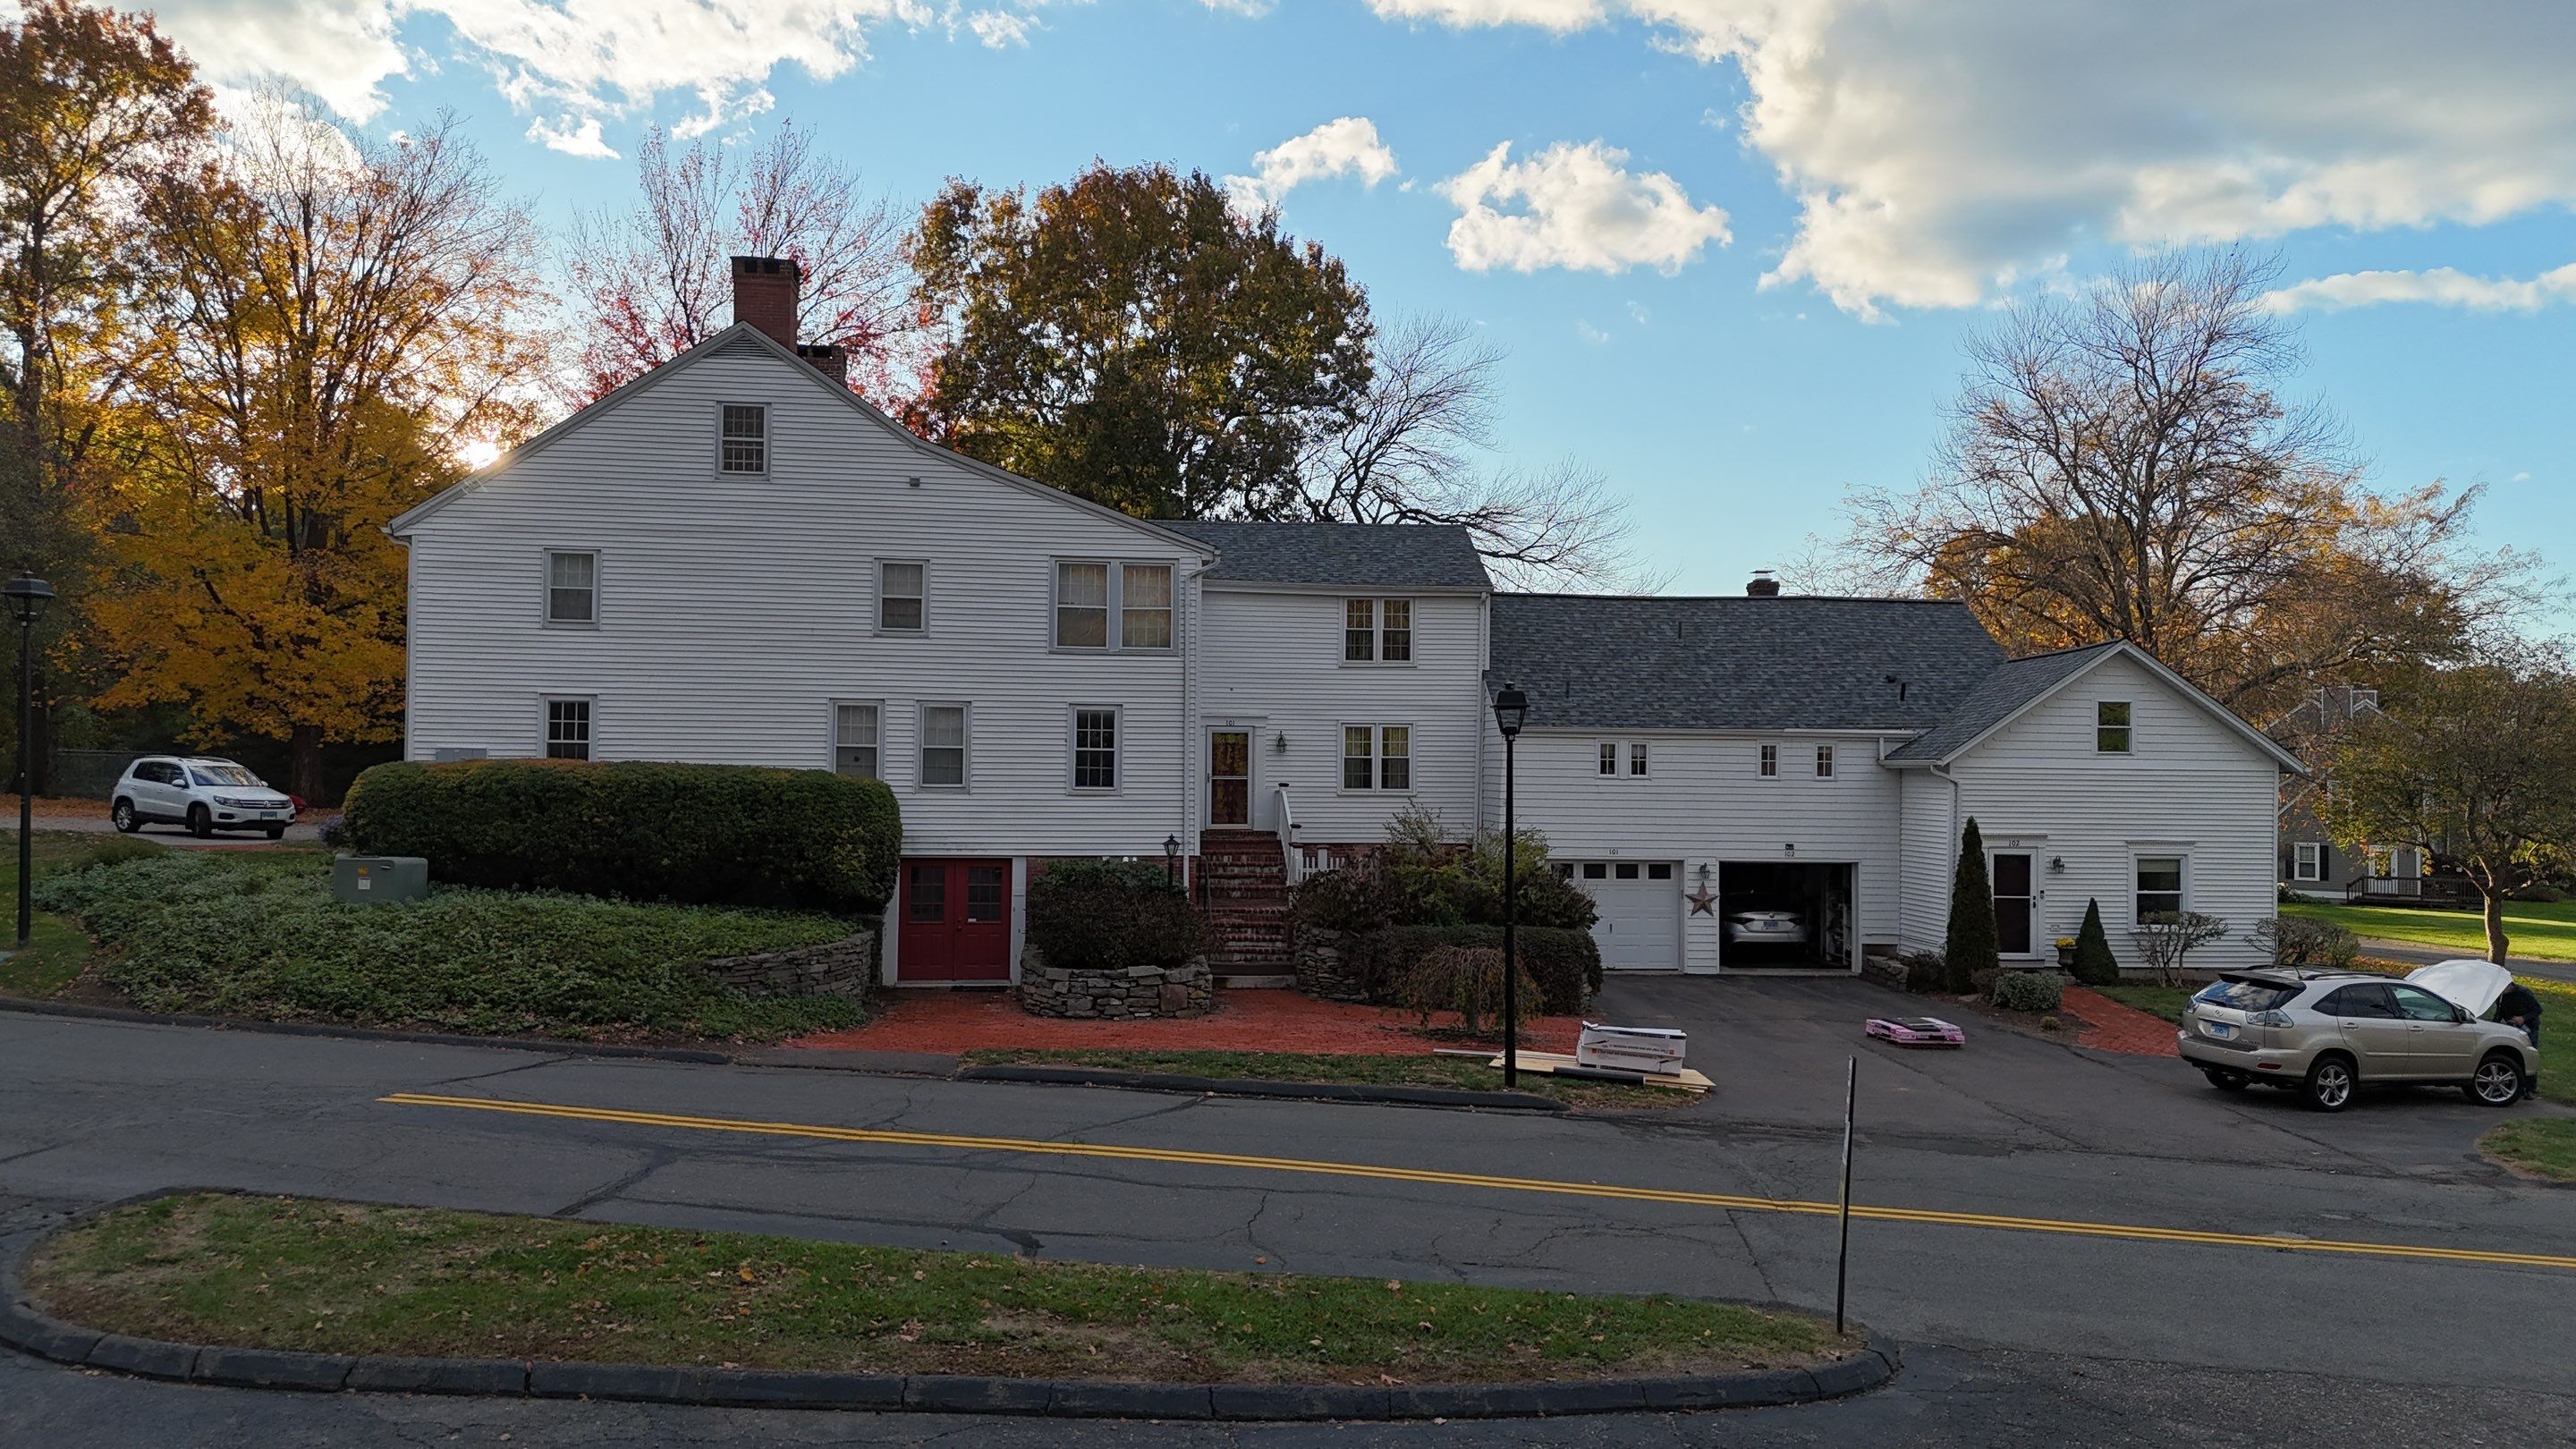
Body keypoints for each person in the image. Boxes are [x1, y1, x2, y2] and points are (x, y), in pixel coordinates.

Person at [2496, 979, 2542, 1048]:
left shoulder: (2523, 993)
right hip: (2512, 1024)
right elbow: (2500, 1011)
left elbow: (2538, 1009)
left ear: (2510, 985)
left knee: (2530, 1045)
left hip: (2529, 1024)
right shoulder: (2502, 996)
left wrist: (2523, 1018)